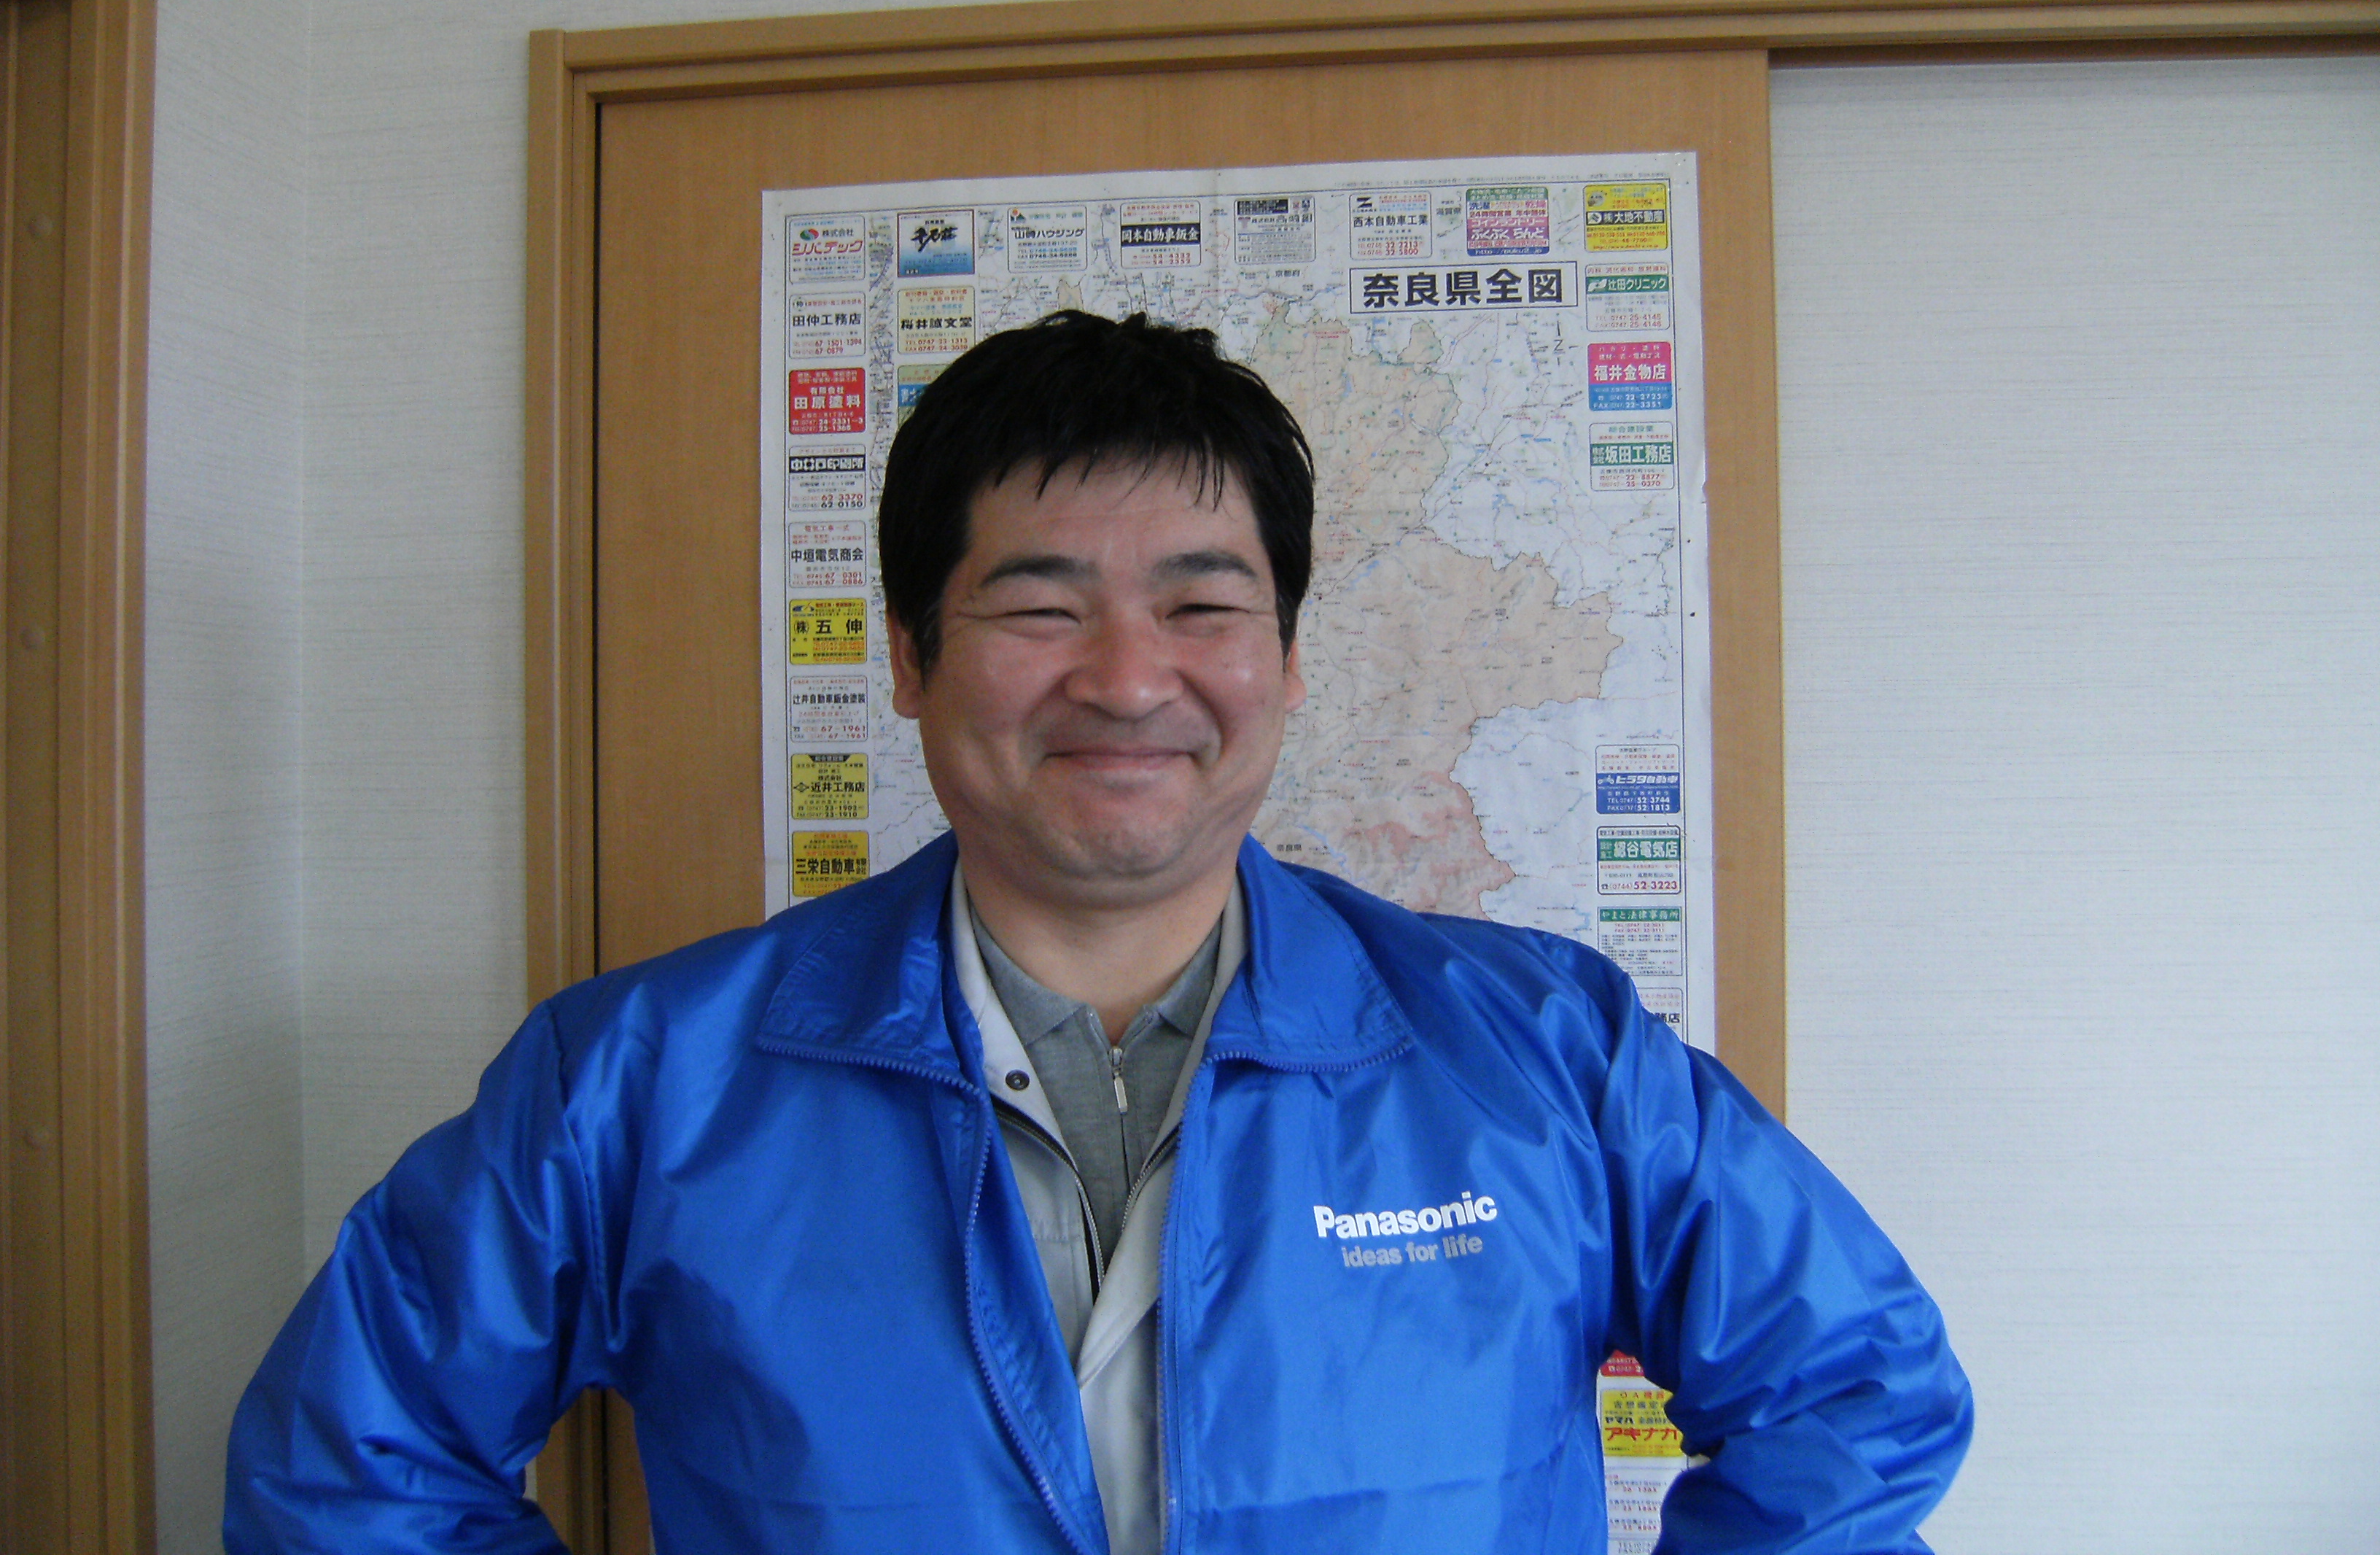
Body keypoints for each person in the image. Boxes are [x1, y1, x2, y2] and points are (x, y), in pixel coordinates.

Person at [227, 310, 1971, 1553]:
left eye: (1202, 603)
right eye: (1039, 606)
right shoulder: (636, 1083)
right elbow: (350, 1468)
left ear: (1286, 661)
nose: (1130, 681)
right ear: (908, 658)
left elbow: (1855, 1394)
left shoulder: (1545, 1055)